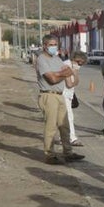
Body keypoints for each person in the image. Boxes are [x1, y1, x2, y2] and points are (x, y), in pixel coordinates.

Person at [35, 35, 85, 165]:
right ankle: (49, 154)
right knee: (51, 126)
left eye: (55, 44)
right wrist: (61, 74)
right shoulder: (41, 59)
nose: (54, 47)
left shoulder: (57, 59)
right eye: (51, 44)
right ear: (45, 45)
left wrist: (58, 74)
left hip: (60, 94)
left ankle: (68, 152)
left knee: (64, 125)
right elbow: (51, 79)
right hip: (48, 95)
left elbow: (67, 73)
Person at [61, 50, 87, 147]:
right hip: (64, 95)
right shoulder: (67, 66)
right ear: (75, 59)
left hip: (67, 95)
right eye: (79, 62)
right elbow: (70, 84)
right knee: (69, 117)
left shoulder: (70, 66)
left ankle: (63, 137)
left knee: (63, 118)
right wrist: (75, 74)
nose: (80, 65)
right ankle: (72, 138)